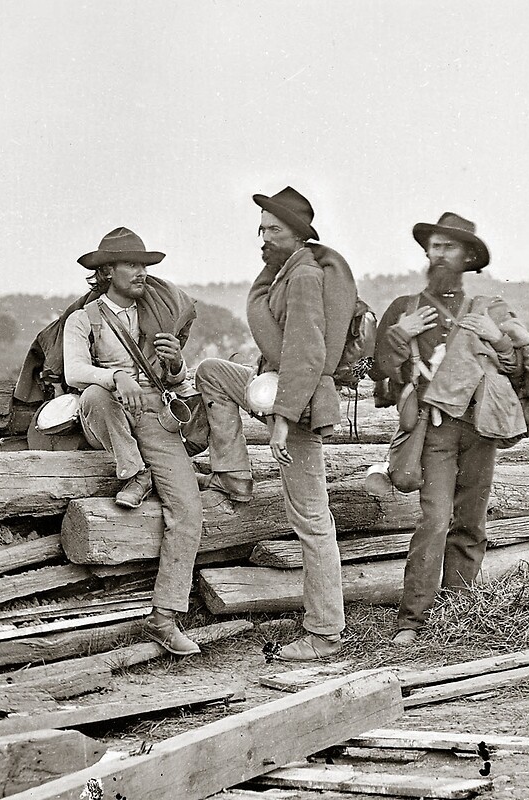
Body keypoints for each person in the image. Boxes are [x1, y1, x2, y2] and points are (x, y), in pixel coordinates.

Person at [372, 212, 529, 645]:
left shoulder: (491, 309)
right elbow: (380, 372)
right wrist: (398, 334)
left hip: (480, 428)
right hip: (432, 430)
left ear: (468, 257)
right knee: (434, 519)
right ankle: (412, 620)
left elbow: (515, 370)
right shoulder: (405, 309)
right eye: (434, 246)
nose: (439, 254)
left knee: (470, 521)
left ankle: (459, 613)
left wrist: (499, 338)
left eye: (449, 247)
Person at [195, 186, 357, 661]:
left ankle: (324, 632)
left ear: (298, 234)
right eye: (261, 228)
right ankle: (233, 473)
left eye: (273, 229)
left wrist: (282, 422)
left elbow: (307, 354)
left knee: (311, 518)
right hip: (277, 386)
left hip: (300, 402)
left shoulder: (304, 277)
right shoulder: (282, 271)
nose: (262, 237)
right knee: (211, 373)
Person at [62, 226, 204, 657]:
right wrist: (113, 375)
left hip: (155, 415)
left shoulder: (155, 317)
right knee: (94, 393)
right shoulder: (84, 319)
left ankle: (164, 617)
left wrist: (176, 365)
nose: (141, 272)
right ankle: (135, 471)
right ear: (106, 271)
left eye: (144, 264)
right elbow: (74, 372)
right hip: (109, 413)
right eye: (131, 264)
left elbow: (174, 380)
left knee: (188, 508)